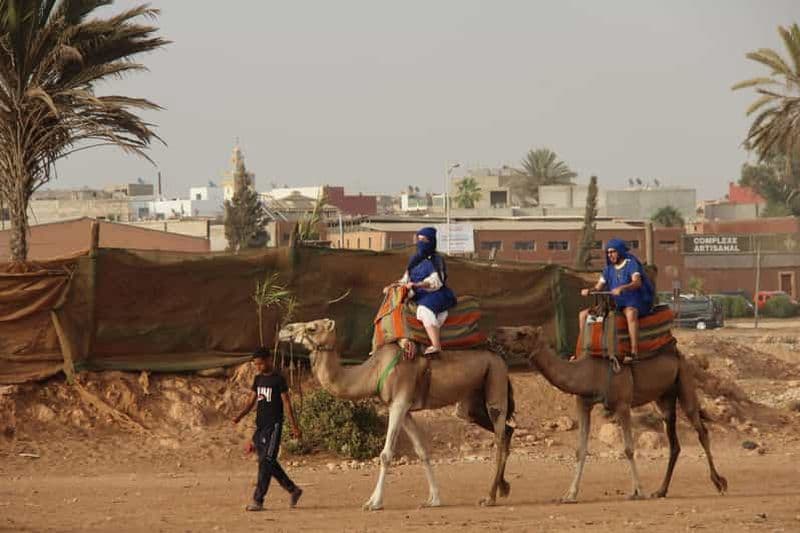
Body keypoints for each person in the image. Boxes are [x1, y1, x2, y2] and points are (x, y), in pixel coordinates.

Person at [232, 347, 303, 511]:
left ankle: (258, 500)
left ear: (269, 360)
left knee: (265, 463)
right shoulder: (258, 379)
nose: (258, 367)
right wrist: (240, 416)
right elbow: (251, 402)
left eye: (260, 363)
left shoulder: (279, 379)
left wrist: (294, 427)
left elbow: (287, 403)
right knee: (269, 463)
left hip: (274, 427)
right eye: (256, 364)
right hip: (260, 428)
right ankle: (293, 489)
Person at [579, 238, 654, 364]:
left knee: (630, 313)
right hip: (615, 304)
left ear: (619, 251)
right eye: (608, 253)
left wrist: (622, 288)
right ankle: (582, 350)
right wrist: (589, 290)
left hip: (633, 302)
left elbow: (637, 282)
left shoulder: (631, 264)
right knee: (583, 315)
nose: (610, 255)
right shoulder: (608, 270)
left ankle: (634, 352)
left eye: (613, 252)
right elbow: (598, 287)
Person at [385, 227, 457, 355]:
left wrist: (418, 285)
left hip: (436, 293)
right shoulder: (414, 260)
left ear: (431, 242)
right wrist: (393, 286)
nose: (420, 243)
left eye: (424, 240)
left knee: (423, 310)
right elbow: (405, 279)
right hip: (418, 295)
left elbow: (436, 282)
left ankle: (436, 345)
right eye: (419, 239)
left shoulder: (436, 260)